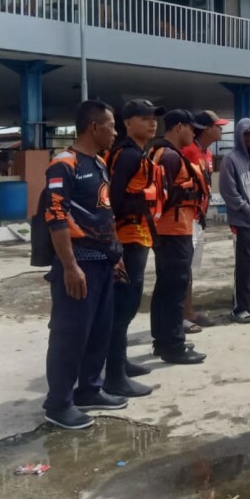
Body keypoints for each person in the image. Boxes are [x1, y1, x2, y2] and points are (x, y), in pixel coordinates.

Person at [42, 100, 126, 430]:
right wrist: (69, 266)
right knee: (70, 334)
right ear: (94, 127)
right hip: (79, 263)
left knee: (99, 331)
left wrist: (115, 255)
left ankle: (89, 388)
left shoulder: (100, 163)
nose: (115, 132)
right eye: (112, 126)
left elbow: (104, 212)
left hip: (104, 262)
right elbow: (56, 216)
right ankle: (58, 404)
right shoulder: (64, 165)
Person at [105, 98, 165, 398]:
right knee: (124, 305)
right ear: (127, 123)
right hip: (128, 238)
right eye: (144, 117)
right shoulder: (128, 155)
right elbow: (113, 199)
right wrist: (112, 242)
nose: (152, 122)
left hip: (138, 235)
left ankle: (120, 363)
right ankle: (115, 376)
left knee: (127, 305)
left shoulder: (136, 153)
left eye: (154, 117)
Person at [149, 109, 207, 365]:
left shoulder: (162, 153)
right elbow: (163, 197)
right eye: (191, 128)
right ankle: (173, 345)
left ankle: (163, 340)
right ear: (179, 127)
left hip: (170, 231)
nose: (194, 133)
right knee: (174, 289)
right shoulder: (170, 157)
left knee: (165, 287)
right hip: (173, 231)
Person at [182, 110, 228, 332]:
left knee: (190, 268)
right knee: (183, 268)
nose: (221, 129)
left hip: (198, 218)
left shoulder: (206, 153)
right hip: (186, 218)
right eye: (217, 126)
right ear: (206, 129)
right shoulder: (188, 151)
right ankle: (182, 315)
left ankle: (188, 312)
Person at [220, 117, 250, 323]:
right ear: (239, 135)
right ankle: (239, 308)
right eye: (247, 134)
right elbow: (228, 192)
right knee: (243, 264)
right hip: (241, 221)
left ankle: (247, 303)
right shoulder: (231, 159)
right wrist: (246, 209)